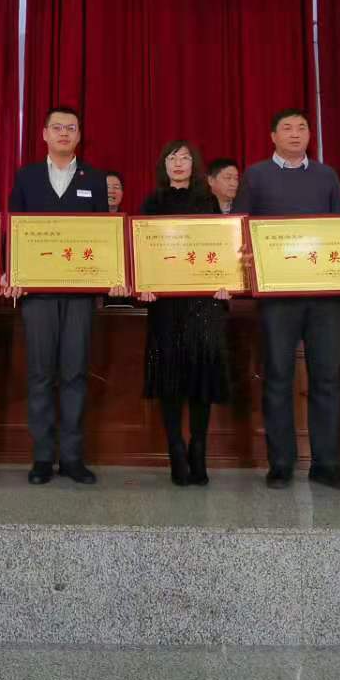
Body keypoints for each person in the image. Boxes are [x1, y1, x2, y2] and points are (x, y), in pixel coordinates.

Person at [235, 109, 340, 491]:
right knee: (277, 377)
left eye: (302, 127)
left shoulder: (326, 175)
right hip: (278, 297)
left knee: (327, 379)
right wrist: (246, 254)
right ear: (272, 136)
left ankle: (327, 464)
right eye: (286, 128)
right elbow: (239, 227)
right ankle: (281, 464)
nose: (295, 133)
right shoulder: (256, 176)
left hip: (324, 297)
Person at [7, 105, 124, 485]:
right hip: (38, 295)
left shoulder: (95, 178)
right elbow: (14, 230)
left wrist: (113, 274)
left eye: (70, 128)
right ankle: (42, 458)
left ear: (78, 135)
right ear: (44, 134)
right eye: (56, 127)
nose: (63, 133)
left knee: (74, 374)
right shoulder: (26, 177)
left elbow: (105, 236)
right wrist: (13, 272)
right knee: (40, 375)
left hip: (79, 296)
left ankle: (72, 458)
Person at [135, 141, 231, 486]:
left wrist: (227, 282)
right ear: (163, 165)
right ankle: (175, 450)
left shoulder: (209, 202)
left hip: (204, 304)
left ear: (195, 164)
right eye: (172, 158)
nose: (178, 163)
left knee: (201, 378)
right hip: (165, 305)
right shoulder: (152, 203)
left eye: (185, 157)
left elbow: (223, 249)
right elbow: (140, 252)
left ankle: (198, 450)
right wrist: (142, 284)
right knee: (170, 379)